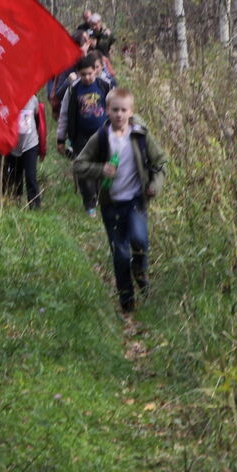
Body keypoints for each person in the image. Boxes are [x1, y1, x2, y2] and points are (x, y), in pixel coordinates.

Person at [73, 87, 167, 314]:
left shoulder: (140, 135)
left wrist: (155, 186)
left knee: (140, 240)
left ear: (131, 111)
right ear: (106, 111)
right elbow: (78, 165)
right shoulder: (102, 137)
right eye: (114, 110)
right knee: (120, 253)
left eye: (123, 110)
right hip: (111, 205)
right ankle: (127, 302)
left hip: (136, 201)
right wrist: (100, 169)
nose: (119, 114)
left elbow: (160, 163)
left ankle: (140, 271)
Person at [56, 53, 114, 215]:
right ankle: (89, 203)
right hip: (80, 136)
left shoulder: (105, 86)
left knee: (103, 167)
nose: (87, 77)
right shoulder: (73, 89)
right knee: (83, 168)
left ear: (95, 71)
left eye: (90, 73)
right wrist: (61, 138)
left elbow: (116, 108)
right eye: (83, 74)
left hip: (103, 134)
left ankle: (102, 197)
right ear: (78, 73)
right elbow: (64, 114)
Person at [5, 95, 47, 209]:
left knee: (30, 176)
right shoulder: (7, 99)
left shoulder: (33, 99)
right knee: (14, 176)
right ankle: (15, 201)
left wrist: (42, 149)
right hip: (12, 146)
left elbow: (41, 125)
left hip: (30, 144)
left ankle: (34, 205)